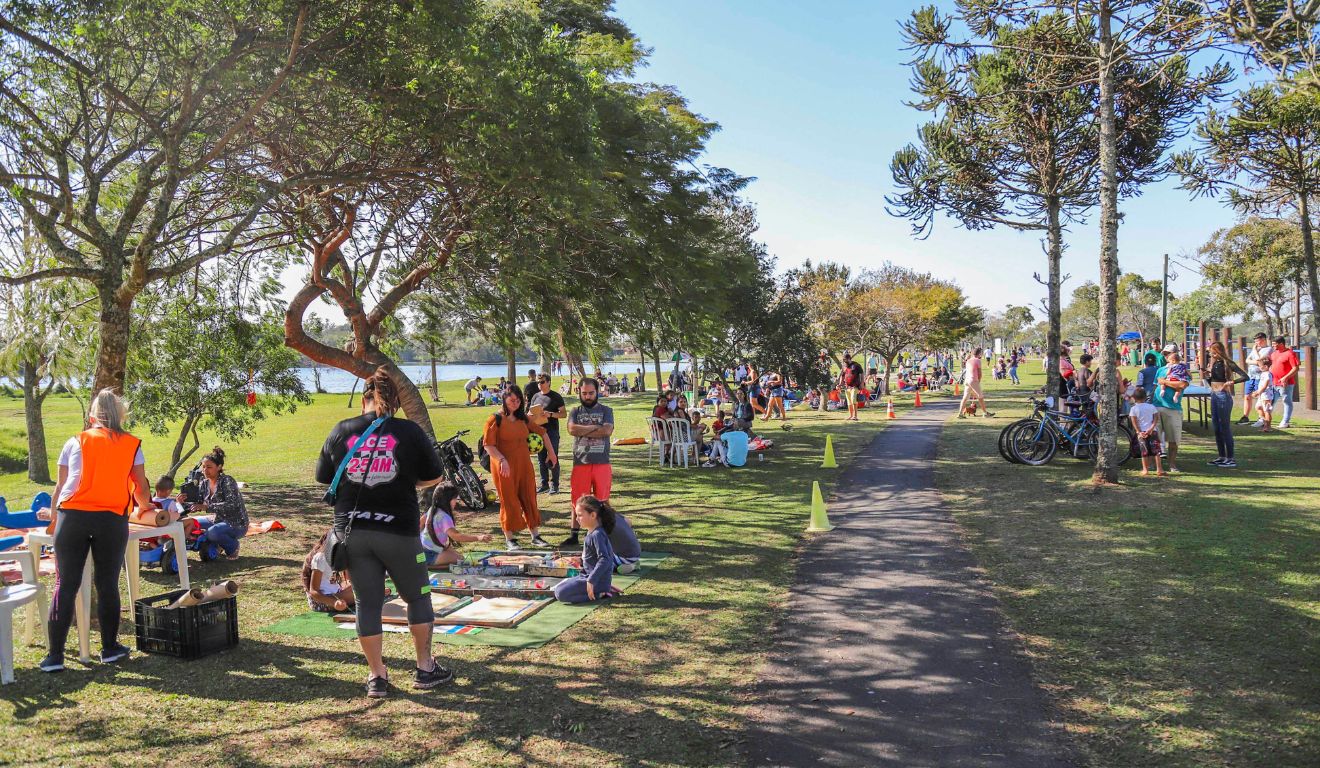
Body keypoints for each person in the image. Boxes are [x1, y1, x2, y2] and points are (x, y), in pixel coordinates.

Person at [316, 368, 452, 698]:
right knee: (418, 597)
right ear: (395, 401)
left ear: (364, 398)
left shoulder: (341, 429)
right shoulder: (409, 431)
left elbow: (324, 477)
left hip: (353, 532)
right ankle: (424, 668)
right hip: (399, 530)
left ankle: (377, 676)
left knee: (367, 603)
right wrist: (408, 482)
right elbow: (435, 475)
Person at [40, 388, 155, 673]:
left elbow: (60, 486)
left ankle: (54, 656)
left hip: (72, 516)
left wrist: (54, 518)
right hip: (111, 518)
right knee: (107, 585)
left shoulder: (75, 441)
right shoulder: (132, 444)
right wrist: (145, 507)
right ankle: (110, 648)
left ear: (92, 416)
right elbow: (140, 486)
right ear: (120, 416)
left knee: (65, 584)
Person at [482, 387, 556, 550]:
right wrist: (502, 460)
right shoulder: (495, 419)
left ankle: (535, 536)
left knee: (529, 497)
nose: (515, 404)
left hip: (524, 466)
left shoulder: (524, 418)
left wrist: (551, 453)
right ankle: (510, 538)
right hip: (504, 468)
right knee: (508, 500)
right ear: (504, 400)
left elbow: (542, 433)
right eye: (511, 401)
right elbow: (488, 445)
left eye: (518, 401)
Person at [562, 378, 614, 547]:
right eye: (584, 393)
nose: (588, 396)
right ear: (579, 393)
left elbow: (607, 430)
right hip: (581, 462)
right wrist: (594, 427)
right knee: (577, 500)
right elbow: (571, 429)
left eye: (591, 393)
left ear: (597, 391)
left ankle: (605, 533)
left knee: (603, 500)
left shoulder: (607, 410)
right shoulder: (575, 411)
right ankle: (574, 535)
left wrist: (583, 430)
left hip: (602, 462)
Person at [552, 495, 619, 604]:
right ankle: (603, 588)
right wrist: (580, 560)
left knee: (560, 593)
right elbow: (594, 557)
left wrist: (592, 580)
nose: (577, 519)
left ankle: (600, 593)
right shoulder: (592, 532)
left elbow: (605, 559)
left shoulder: (597, 534)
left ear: (593, 515)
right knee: (559, 587)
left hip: (595, 580)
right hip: (587, 576)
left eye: (580, 515)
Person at [188, 446, 249, 560]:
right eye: (204, 467)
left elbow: (232, 505)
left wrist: (207, 507)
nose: (205, 470)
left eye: (209, 467)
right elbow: (199, 502)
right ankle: (214, 545)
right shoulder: (204, 483)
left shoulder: (227, 481)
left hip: (237, 523)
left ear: (219, 467)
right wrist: (182, 502)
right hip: (217, 520)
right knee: (190, 523)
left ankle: (233, 547)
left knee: (212, 532)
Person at [420, 484, 492, 567]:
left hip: (421, 552)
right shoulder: (444, 517)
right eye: (455, 499)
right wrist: (478, 538)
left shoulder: (432, 509)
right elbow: (456, 536)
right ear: (447, 500)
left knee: (459, 556)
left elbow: (420, 523)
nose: (456, 502)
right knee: (461, 560)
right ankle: (430, 565)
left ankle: (424, 562)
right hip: (430, 555)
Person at [1202, 341, 1249, 468]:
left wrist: (1231, 382)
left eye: (1212, 351)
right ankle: (1222, 456)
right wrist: (1207, 376)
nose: (1210, 354)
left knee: (1225, 427)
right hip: (1214, 395)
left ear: (1217, 351)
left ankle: (1230, 458)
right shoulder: (1214, 363)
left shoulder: (1228, 363)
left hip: (1223, 396)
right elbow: (1214, 380)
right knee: (1216, 428)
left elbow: (1245, 376)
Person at [530, 374, 567, 495]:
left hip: (552, 432)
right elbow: (529, 412)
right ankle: (544, 484)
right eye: (538, 382)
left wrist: (550, 414)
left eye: (542, 382)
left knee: (553, 458)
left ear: (549, 382)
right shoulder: (535, 396)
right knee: (541, 459)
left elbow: (563, 414)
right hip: (538, 431)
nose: (539, 384)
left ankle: (555, 485)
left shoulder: (556, 396)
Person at [303, 532, 355, 613]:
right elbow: (314, 591)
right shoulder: (321, 558)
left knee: (363, 588)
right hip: (321, 601)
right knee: (362, 592)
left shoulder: (342, 557)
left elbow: (349, 581)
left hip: (336, 595)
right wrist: (334, 603)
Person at [1151, 355, 1185, 474]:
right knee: (1155, 438)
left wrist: (1165, 381)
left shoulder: (1182, 368)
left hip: (1173, 409)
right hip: (1157, 406)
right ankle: (1154, 464)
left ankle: (1172, 464)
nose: (1171, 359)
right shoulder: (1160, 370)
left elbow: (1182, 385)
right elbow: (1157, 384)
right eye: (1168, 355)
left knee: (1173, 439)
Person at [1128, 388, 1164, 477]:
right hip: (1153, 431)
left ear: (1134, 398)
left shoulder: (1134, 409)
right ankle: (1159, 469)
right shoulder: (1151, 406)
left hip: (1141, 433)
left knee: (1144, 452)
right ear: (1145, 397)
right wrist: (1151, 428)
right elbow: (1156, 418)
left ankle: (1145, 469)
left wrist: (1138, 431)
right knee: (1156, 451)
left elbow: (1134, 421)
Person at [1269, 336, 1299, 430]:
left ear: (1281, 344)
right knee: (1270, 401)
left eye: (1274, 344)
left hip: (1286, 384)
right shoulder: (1274, 354)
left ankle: (1285, 421)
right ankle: (1265, 420)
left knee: (1286, 402)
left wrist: (1285, 378)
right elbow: (1271, 366)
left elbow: (1295, 368)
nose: (1273, 346)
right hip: (1273, 383)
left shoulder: (1290, 353)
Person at [1239, 333, 1269, 424]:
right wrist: (1255, 360)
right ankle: (1245, 416)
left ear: (1263, 340)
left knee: (1260, 397)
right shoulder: (1256, 349)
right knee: (1247, 396)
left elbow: (1259, 360)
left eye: (1257, 341)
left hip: (1260, 377)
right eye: (1255, 341)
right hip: (1250, 376)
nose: (1256, 343)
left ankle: (1262, 417)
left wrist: (1254, 352)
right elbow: (1247, 360)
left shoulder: (1268, 349)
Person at [957, 347, 994, 418]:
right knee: (980, 397)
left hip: (967, 380)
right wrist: (978, 380)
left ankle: (960, 413)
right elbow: (980, 373)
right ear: (979, 353)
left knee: (965, 397)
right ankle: (985, 413)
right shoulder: (978, 360)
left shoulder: (968, 360)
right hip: (973, 380)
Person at [840, 353, 864, 422]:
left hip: (855, 386)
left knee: (853, 400)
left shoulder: (856, 365)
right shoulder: (844, 366)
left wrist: (862, 383)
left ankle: (855, 416)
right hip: (847, 387)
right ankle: (851, 415)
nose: (844, 361)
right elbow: (842, 375)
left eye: (845, 359)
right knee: (849, 402)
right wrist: (840, 384)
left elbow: (862, 373)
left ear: (849, 358)